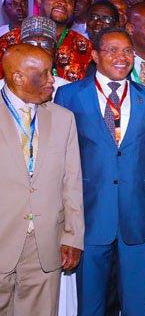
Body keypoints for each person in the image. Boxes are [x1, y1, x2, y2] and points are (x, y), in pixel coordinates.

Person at [54, 27, 145, 316]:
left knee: (137, 303)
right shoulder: (68, 96)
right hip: (89, 216)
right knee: (89, 303)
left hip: (139, 218)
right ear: (95, 56)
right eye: (112, 50)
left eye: (127, 51)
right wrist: (64, 221)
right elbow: (58, 161)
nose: (121, 57)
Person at [0, 44, 83, 316]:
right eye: (45, 73)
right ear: (18, 77)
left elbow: (72, 182)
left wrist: (73, 236)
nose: (52, 80)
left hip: (45, 245)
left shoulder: (63, 119)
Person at [0, 0, 94, 82]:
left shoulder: (85, 47)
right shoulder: (9, 41)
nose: (63, 2)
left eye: (69, 0)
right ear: (39, 0)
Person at [0, 16, 71, 96]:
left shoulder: (66, 89)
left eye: (46, 44)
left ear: (55, 50)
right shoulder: (3, 88)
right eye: (31, 43)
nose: (38, 49)